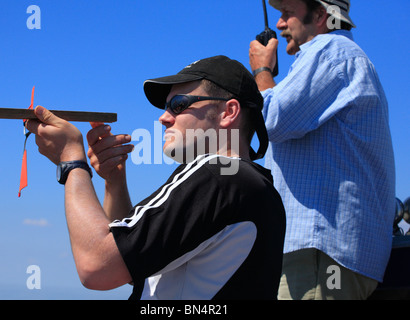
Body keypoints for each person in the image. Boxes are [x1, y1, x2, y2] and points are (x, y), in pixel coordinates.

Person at [26, 55, 286, 300]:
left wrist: (72, 161)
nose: (163, 118)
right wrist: (114, 182)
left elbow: (97, 266)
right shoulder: (258, 189)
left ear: (228, 112)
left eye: (178, 105)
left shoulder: (218, 173)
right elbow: (134, 266)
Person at [249, 0, 396, 299]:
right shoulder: (345, 56)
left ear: (320, 15)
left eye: (288, 13)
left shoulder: (330, 51)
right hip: (330, 255)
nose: (279, 24)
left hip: (319, 253)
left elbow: (271, 119)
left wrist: (262, 70)